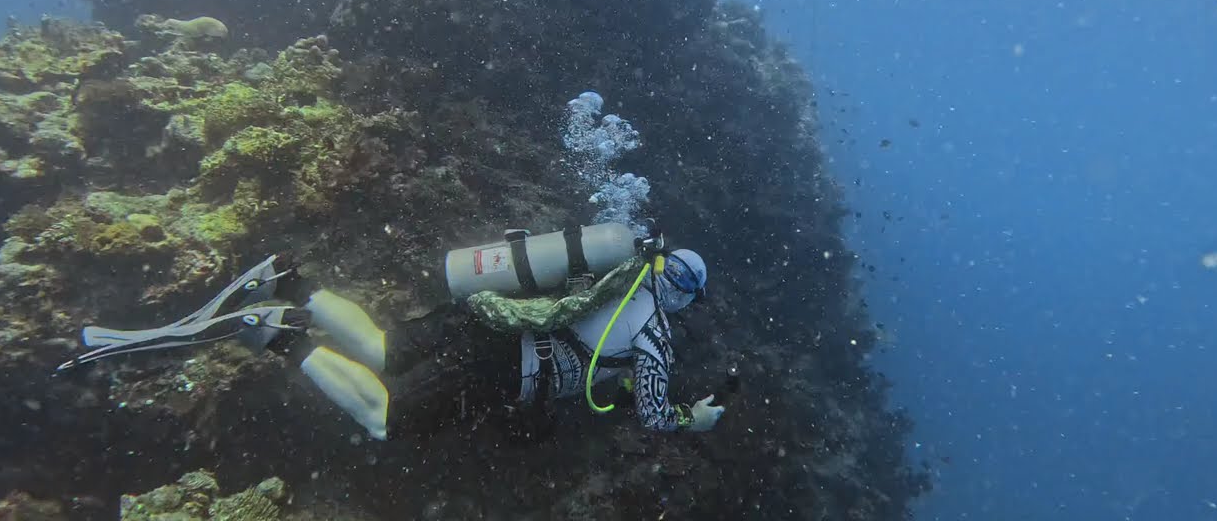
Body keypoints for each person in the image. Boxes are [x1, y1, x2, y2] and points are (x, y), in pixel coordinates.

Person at [57, 247, 725, 442]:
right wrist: (692, 419)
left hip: (483, 318)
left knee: (379, 347)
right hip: (499, 365)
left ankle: (297, 284)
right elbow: (654, 415)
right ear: (685, 297)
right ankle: (279, 337)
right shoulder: (656, 334)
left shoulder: (615, 270)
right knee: (383, 418)